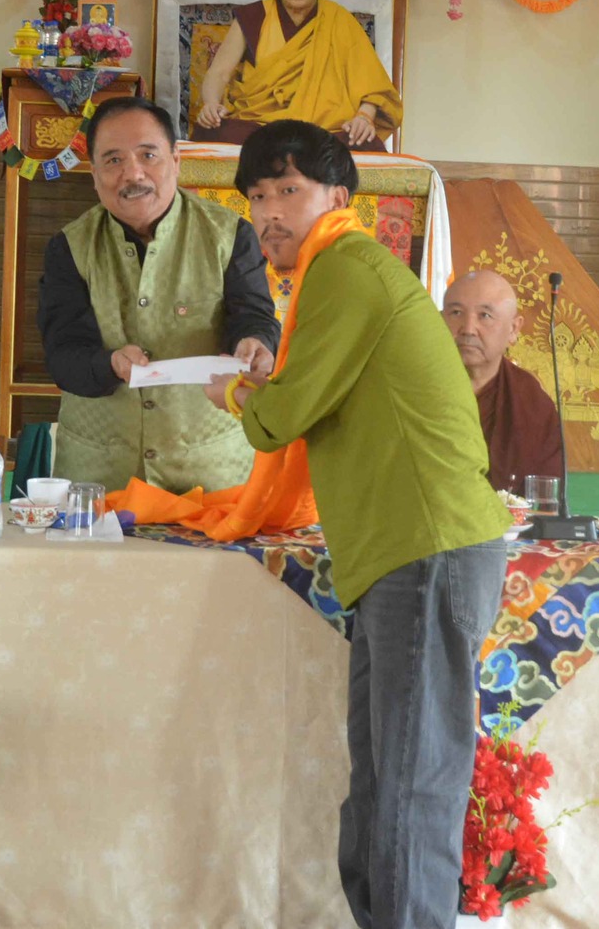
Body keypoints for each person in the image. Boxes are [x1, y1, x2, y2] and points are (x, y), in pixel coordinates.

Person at [199, 121, 510, 929]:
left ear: (337, 195)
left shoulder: (343, 266)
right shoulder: (336, 267)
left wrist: (234, 391)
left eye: (289, 190)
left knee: (412, 783)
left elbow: (283, 415)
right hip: (402, 549)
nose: (270, 211)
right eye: (258, 196)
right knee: (382, 780)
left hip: (426, 544)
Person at [38, 97, 279, 493]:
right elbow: (63, 353)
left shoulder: (229, 234)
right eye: (113, 160)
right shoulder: (69, 247)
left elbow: (253, 315)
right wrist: (109, 363)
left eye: (148, 155)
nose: (133, 174)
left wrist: (255, 341)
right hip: (101, 478)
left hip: (210, 472)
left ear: (176, 160)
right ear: (94, 174)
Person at [192, 0, 402, 148]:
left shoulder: (340, 20)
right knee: (210, 131)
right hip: (261, 126)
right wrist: (211, 103)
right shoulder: (253, 17)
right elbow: (219, 72)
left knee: (365, 142)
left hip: (325, 130)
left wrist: (364, 117)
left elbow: (373, 87)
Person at [442, 269, 563, 494]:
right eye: (456, 313)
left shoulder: (531, 402)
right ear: (440, 320)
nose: (468, 329)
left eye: (485, 315)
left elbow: (544, 496)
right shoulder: (414, 388)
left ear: (513, 329)